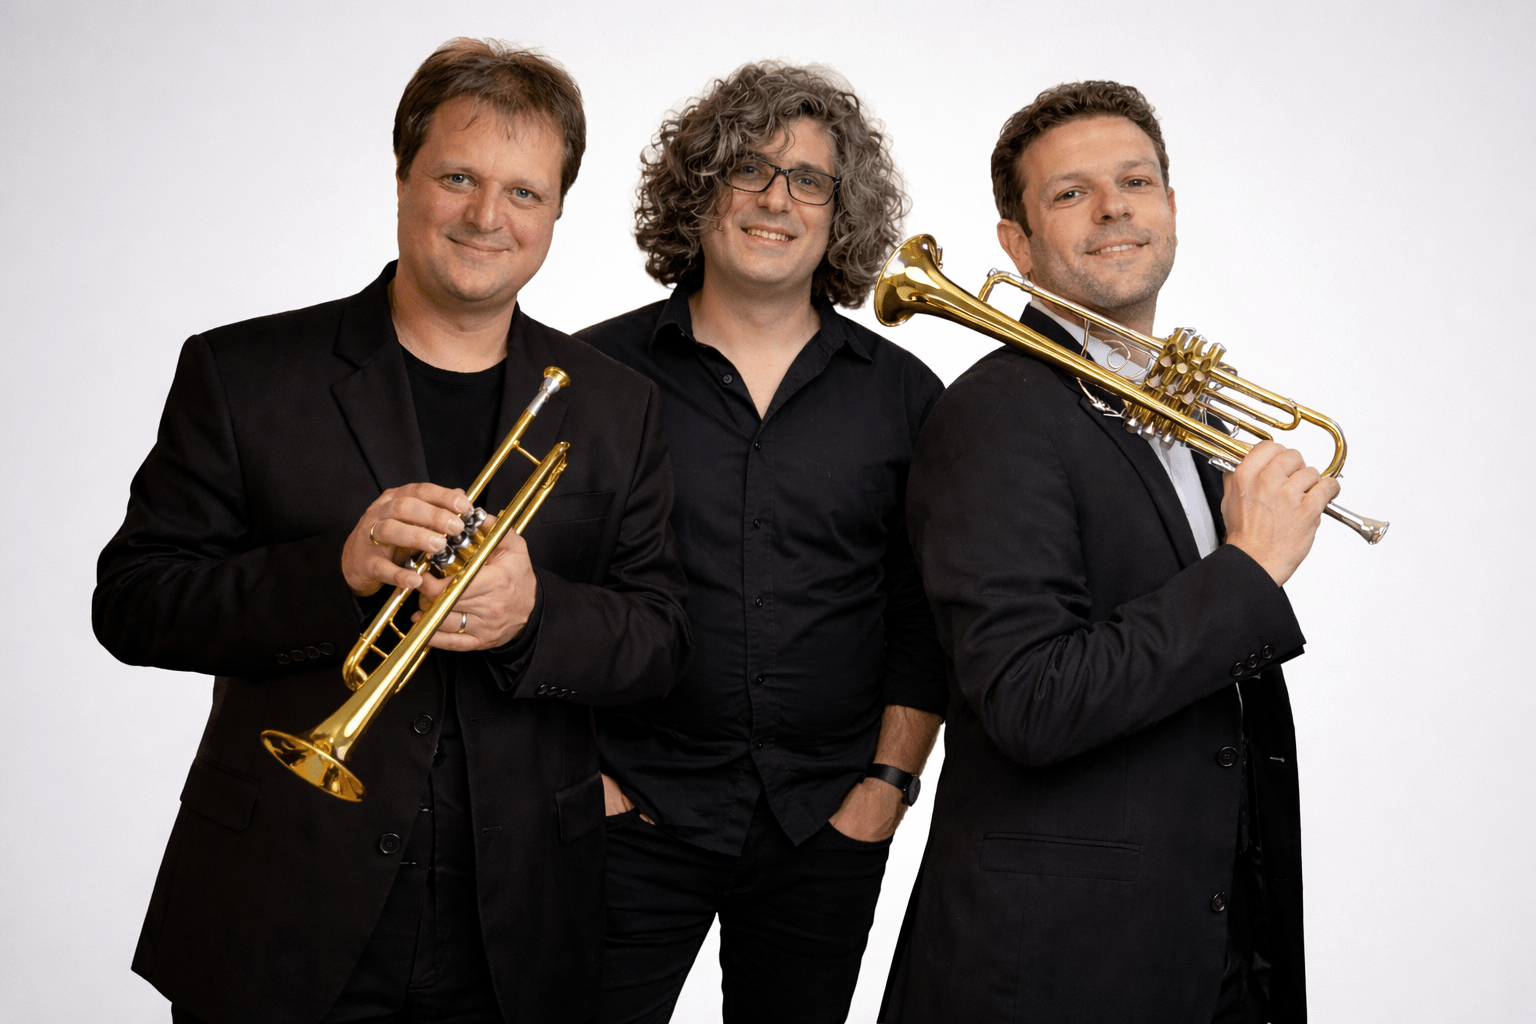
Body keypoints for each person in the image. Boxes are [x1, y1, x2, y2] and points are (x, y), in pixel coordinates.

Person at [93, 39, 690, 1024]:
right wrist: (335, 572)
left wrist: (534, 618)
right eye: (458, 177)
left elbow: (661, 638)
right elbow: (133, 602)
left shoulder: (615, 405)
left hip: (515, 924)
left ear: (556, 212)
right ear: (405, 175)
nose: (487, 216)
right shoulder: (244, 373)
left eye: (524, 192)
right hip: (280, 896)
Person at [879, 81, 1339, 1023]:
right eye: (1070, 193)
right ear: (1017, 244)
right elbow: (1029, 699)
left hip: (1202, 934)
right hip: (1057, 960)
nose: (1114, 208)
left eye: (1136, 182)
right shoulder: (994, 418)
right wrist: (1248, 570)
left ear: (1170, 206)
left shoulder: (1186, 412)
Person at [575, 62, 947, 1024]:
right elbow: (540, 592)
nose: (777, 199)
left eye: (809, 180)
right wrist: (587, 782)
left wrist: (887, 786)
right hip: (625, 814)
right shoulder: (591, 374)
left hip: (826, 825)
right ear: (700, 189)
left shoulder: (907, 396)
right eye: (748, 167)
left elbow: (923, 613)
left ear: (839, 212)